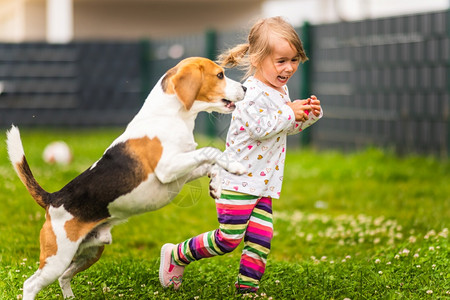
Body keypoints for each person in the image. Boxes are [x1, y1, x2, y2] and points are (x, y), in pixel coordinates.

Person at [159, 16, 323, 293]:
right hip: (237, 180)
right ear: (258, 59)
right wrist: (288, 111)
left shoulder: (280, 90)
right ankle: (176, 255)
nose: (289, 68)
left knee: (260, 241)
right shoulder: (249, 94)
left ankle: (247, 289)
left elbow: (281, 129)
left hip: (264, 183)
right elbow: (260, 128)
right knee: (228, 239)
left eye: (294, 60)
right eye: (281, 60)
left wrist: (306, 116)